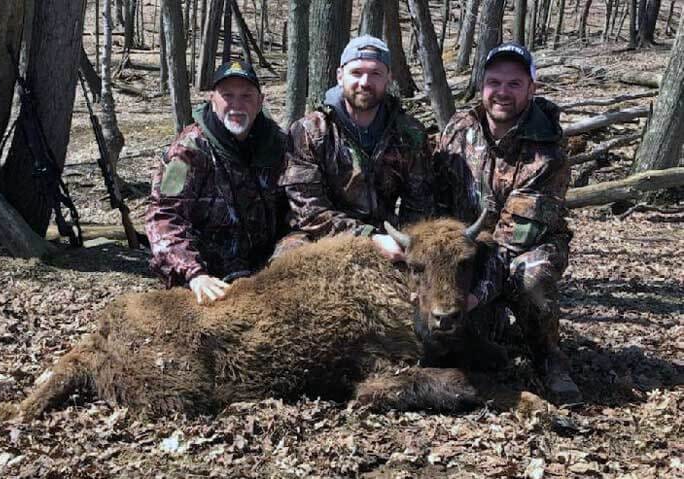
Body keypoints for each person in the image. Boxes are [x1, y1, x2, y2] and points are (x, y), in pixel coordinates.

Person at [434, 42, 582, 404]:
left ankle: (548, 358)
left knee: (530, 279)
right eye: (494, 82)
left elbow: (511, 241)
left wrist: (476, 294)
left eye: (514, 84)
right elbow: (434, 198)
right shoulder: (458, 129)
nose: (502, 92)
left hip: (525, 247)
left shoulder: (548, 152)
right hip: (465, 244)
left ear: (532, 88)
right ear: (482, 85)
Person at [277, 35, 434, 260]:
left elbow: (420, 206)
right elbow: (307, 211)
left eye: (375, 73)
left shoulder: (410, 133)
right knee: (286, 264)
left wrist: (405, 241)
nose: (365, 82)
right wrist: (368, 238)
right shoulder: (310, 131)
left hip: (387, 236)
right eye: (357, 73)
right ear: (340, 76)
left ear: (388, 78)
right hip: (318, 236)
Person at [146, 61, 288, 304]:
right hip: (210, 278)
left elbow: (296, 209)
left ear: (260, 101)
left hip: (268, 272)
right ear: (213, 99)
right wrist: (194, 273)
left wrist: (285, 257)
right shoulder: (187, 151)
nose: (236, 105)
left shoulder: (278, 146)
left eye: (246, 96)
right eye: (227, 96)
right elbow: (163, 215)